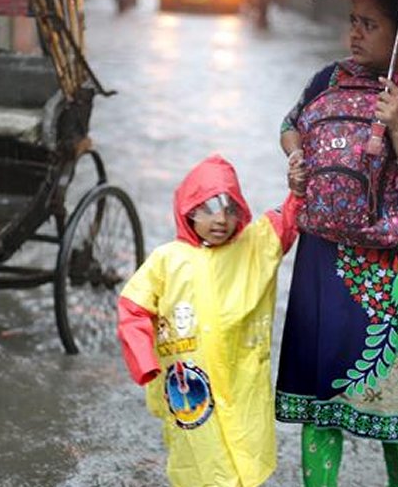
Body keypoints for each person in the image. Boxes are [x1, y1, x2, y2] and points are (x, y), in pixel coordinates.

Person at [276, 0, 398, 487]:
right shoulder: (327, 80)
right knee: (319, 396)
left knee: (395, 397)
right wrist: (297, 158)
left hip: (394, 269)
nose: (354, 33)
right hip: (323, 258)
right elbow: (291, 124)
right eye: (352, 20)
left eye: (369, 23)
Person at [117, 154, 302, 487]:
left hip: (240, 378)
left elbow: (285, 224)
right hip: (190, 383)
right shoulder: (168, 260)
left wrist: (298, 190)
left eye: (230, 209)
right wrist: (144, 360)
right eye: (208, 208)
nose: (221, 219)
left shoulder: (251, 247)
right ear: (188, 211)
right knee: (198, 456)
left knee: (244, 448)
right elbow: (134, 308)